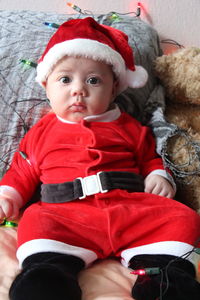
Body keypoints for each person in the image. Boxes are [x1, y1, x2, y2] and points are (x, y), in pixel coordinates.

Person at [0, 17, 199, 300]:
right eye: (65, 79)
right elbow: (23, 169)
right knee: (36, 221)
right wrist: (9, 195)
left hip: (129, 209)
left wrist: (158, 175)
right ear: (47, 87)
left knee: (182, 218)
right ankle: (49, 273)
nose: (78, 89)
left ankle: (161, 274)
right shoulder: (41, 131)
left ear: (113, 88)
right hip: (66, 215)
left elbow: (149, 158)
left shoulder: (129, 126)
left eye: (93, 80)